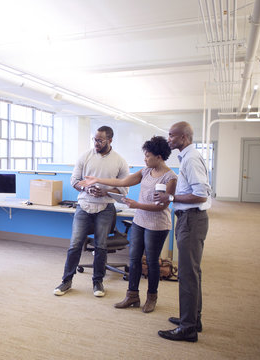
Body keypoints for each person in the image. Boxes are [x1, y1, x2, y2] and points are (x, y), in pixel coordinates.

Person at [78, 136, 177, 313]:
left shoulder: (170, 178)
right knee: (134, 259)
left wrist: (136, 205)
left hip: (158, 224)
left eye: (148, 156)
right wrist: (97, 180)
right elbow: (122, 182)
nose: (145, 159)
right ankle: (132, 296)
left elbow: (162, 206)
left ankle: (151, 297)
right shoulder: (145, 171)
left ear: (159, 156)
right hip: (139, 221)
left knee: (152, 262)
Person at [53, 126, 129, 297]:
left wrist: (105, 192)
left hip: (105, 207)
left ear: (110, 140)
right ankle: (66, 281)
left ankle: (98, 282)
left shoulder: (119, 161)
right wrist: (86, 189)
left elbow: (124, 189)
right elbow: (74, 181)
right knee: (75, 244)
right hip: (84, 205)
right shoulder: (85, 156)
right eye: (95, 139)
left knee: (100, 246)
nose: (96, 143)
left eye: (100, 140)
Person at [155, 121, 211, 343]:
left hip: (192, 219)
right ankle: (192, 320)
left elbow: (201, 194)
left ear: (183, 138)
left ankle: (188, 329)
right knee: (192, 272)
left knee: (188, 274)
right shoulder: (187, 157)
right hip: (190, 219)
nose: (168, 139)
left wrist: (170, 198)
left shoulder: (191, 159)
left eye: (171, 136)